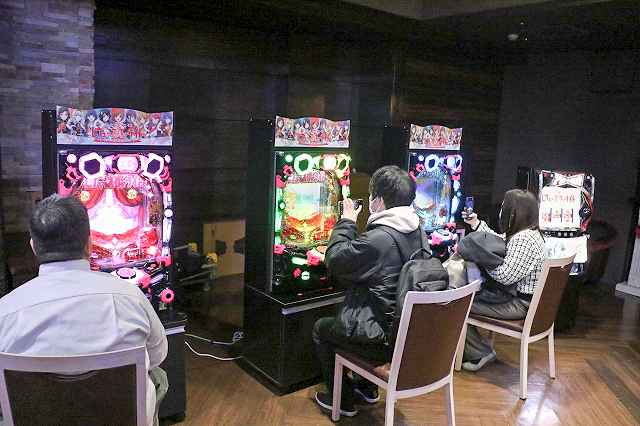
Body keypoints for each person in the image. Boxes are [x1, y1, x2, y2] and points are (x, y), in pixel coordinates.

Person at [0, 194, 168, 426]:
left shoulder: (5, 311)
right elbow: (158, 354)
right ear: (90, 245)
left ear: (34, 247)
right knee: (159, 377)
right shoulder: (130, 296)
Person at [312, 165, 422, 417]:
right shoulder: (418, 230)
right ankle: (366, 388)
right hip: (408, 336)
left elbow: (335, 259)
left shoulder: (379, 238)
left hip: (382, 341)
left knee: (322, 329)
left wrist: (347, 222)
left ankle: (343, 400)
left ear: (379, 201)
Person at [460, 189, 547, 371]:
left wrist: (480, 258)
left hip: (520, 305)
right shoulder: (531, 234)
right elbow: (499, 240)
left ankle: (479, 353)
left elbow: (504, 276)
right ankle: (477, 351)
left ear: (513, 213)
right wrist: (476, 224)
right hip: (531, 304)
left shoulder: (524, 239)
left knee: (457, 303)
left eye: (503, 208)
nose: (501, 212)